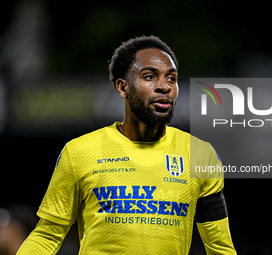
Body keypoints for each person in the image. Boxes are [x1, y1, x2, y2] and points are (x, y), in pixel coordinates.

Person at [16, 35, 236, 254]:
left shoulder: (200, 154)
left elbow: (219, 246)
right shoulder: (79, 152)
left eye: (171, 78)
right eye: (150, 76)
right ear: (123, 87)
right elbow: (48, 234)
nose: (164, 87)